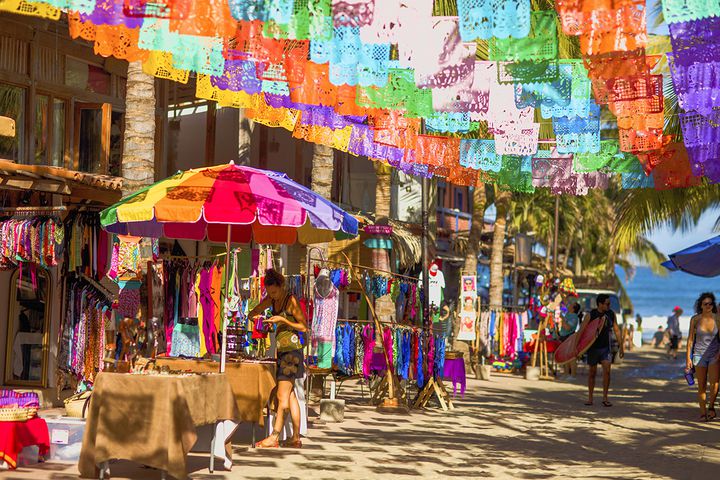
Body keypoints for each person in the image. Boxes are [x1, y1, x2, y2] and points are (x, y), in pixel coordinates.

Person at [250, 269, 308, 448]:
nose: (272, 295)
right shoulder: (272, 300)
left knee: (282, 396)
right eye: (269, 292)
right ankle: (296, 438)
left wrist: (282, 322)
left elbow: (304, 327)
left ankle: (274, 436)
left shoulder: (291, 301)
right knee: (291, 396)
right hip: (283, 352)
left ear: (281, 286)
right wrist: (257, 319)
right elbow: (253, 312)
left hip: (292, 353)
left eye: (274, 292)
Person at [578, 294, 624, 407]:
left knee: (607, 371)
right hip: (592, 348)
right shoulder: (591, 315)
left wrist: (621, 346)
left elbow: (617, 330)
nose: (609, 306)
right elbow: (581, 331)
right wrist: (577, 348)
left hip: (605, 348)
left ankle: (605, 398)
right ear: (600, 304)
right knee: (592, 373)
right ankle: (590, 398)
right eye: (607, 304)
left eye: (609, 303)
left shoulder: (611, 314)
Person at [685, 293, 720, 421]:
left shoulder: (718, 319)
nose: (708, 306)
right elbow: (689, 340)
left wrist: (718, 353)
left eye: (711, 303)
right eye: (705, 304)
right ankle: (702, 412)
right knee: (702, 385)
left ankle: (711, 407)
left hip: (714, 355)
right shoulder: (695, 319)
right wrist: (688, 359)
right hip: (698, 355)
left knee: (715, 384)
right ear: (701, 305)